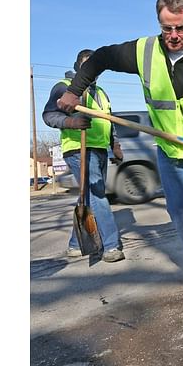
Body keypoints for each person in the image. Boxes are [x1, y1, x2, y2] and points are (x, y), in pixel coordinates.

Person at [56, 0, 183, 317]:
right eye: (167, 28)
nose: (173, 36)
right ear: (160, 24)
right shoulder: (144, 53)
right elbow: (100, 57)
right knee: (182, 215)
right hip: (170, 151)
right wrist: (75, 90)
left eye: (180, 28)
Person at [42, 49, 126, 263]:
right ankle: (110, 246)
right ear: (78, 66)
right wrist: (71, 122)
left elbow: (108, 120)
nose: (92, 71)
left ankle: (74, 245)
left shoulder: (101, 92)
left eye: (95, 66)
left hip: (99, 148)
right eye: (87, 65)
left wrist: (114, 144)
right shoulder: (64, 87)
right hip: (78, 149)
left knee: (87, 197)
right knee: (97, 195)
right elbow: (49, 115)